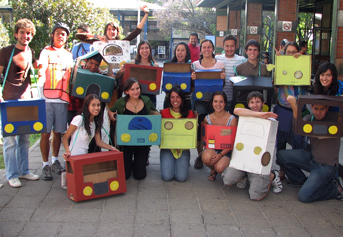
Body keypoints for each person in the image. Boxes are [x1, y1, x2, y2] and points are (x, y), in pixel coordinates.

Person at [276, 95, 343, 202]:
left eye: (322, 109)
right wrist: (294, 106)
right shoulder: (310, 118)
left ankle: (334, 189)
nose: (318, 112)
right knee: (281, 155)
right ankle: (299, 180)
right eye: (316, 108)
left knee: (304, 196)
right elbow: (297, 128)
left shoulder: (335, 118)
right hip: (312, 159)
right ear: (312, 107)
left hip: (326, 167)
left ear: (327, 108)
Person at [222, 91, 283, 200]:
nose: (255, 105)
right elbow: (236, 110)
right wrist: (260, 115)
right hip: (244, 159)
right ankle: (246, 175)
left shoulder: (270, 120)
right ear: (248, 104)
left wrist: (264, 116)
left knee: (256, 196)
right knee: (227, 179)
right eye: (252, 102)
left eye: (258, 102)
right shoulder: (246, 116)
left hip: (260, 162)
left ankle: (271, 176)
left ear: (263, 103)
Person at [0, 19, 39, 187]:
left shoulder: (30, 52)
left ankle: (24, 171)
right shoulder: (6, 51)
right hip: (9, 100)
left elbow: (38, 67)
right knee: (10, 140)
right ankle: (12, 175)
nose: (26, 35)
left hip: (26, 101)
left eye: (29, 33)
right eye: (22, 32)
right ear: (16, 34)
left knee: (24, 138)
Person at [38, 22, 73, 181]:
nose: (61, 36)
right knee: (45, 133)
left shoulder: (68, 54)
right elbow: (41, 70)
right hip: (46, 99)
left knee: (58, 132)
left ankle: (54, 160)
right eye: (58, 33)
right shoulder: (46, 51)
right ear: (53, 35)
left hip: (62, 99)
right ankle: (45, 164)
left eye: (64, 34)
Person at [108, 78, 158, 180]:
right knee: (125, 175)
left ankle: (140, 162)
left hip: (142, 142)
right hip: (126, 143)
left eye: (137, 88)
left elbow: (154, 113)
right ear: (126, 91)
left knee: (140, 175)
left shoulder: (146, 101)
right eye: (132, 89)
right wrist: (110, 113)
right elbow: (111, 109)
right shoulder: (121, 102)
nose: (136, 92)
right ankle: (129, 163)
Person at [191, 39, 225, 169]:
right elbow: (192, 87)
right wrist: (192, 79)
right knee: (200, 129)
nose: (206, 49)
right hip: (200, 102)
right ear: (201, 49)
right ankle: (200, 155)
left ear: (213, 49)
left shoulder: (220, 64)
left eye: (209, 47)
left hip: (215, 104)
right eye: (204, 47)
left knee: (215, 129)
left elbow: (223, 85)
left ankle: (216, 155)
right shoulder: (195, 64)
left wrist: (223, 78)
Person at [273, 41, 307, 151]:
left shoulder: (304, 65)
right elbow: (275, 84)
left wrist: (302, 58)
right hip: (283, 109)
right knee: (281, 140)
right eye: (288, 52)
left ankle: (294, 166)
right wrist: (280, 62)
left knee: (298, 140)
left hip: (300, 109)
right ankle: (282, 167)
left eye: (294, 52)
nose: (291, 55)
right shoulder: (281, 65)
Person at [160, 86, 196, 182]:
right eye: (172, 97)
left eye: (178, 97)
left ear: (182, 99)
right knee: (167, 177)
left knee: (181, 178)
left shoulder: (190, 114)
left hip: (183, 149)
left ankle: (183, 163)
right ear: (169, 99)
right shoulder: (163, 113)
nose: (175, 100)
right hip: (167, 149)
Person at [62, 94, 117, 158]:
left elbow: (98, 142)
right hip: (73, 156)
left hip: (85, 156)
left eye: (98, 105)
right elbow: (65, 137)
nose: (96, 108)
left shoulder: (95, 122)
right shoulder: (79, 119)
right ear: (87, 106)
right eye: (93, 105)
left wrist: (112, 148)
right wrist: (67, 151)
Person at [201, 91, 237, 181]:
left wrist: (220, 155)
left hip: (227, 150)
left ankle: (223, 167)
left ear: (225, 103)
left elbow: (233, 141)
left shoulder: (232, 120)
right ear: (212, 103)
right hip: (213, 148)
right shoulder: (207, 119)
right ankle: (213, 169)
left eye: (221, 101)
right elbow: (205, 138)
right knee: (206, 158)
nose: (218, 104)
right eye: (215, 101)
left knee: (219, 168)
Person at [67, 53, 103, 124]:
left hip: (89, 108)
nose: (93, 67)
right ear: (86, 61)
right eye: (91, 63)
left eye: (96, 65)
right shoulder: (77, 70)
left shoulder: (99, 75)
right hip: (73, 107)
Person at [215, 35, 245, 110]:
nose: (229, 49)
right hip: (220, 100)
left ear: (236, 46)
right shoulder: (217, 59)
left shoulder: (242, 60)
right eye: (227, 46)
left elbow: (246, 77)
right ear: (223, 46)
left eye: (232, 46)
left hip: (236, 98)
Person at [163, 42, 191, 109]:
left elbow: (192, 88)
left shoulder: (191, 67)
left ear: (186, 53)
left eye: (183, 50)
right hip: (170, 100)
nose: (180, 52)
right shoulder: (168, 66)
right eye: (178, 50)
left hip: (185, 101)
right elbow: (165, 87)